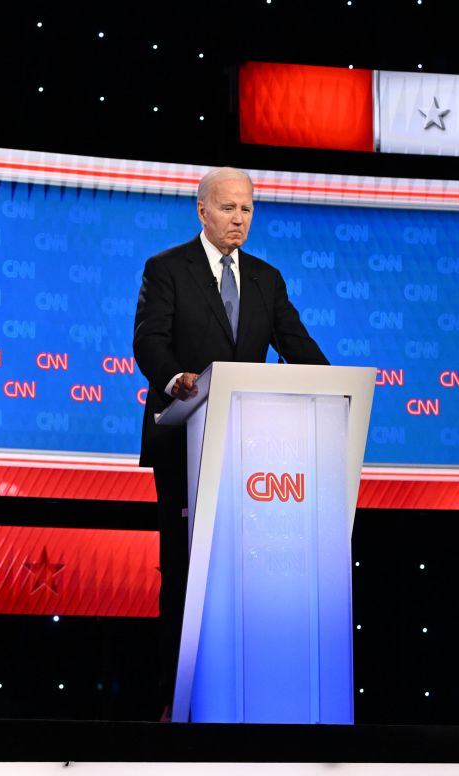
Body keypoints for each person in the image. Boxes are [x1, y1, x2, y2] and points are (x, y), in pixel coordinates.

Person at [132, 166, 328, 721]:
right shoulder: (166, 268)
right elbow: (148, 340)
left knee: (245, 571)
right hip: (183, 439)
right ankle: (176, 699)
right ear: (202, 211)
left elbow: (296, 344)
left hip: (252, 452)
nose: (238, 219)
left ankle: (247, 696)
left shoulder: (267, 278)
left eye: (246, 209)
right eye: (227, 208)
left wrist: (331, 386)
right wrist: (176, 379)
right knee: (185, 567)